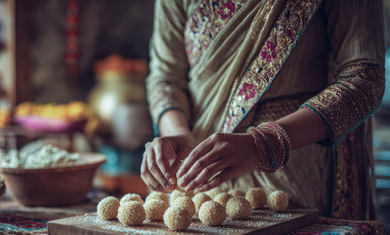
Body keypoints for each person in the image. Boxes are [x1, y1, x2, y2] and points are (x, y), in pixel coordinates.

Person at [141, 0, 385, 220]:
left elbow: (364, 78)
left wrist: (264, 143)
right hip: (200, 178)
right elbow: (166, 78)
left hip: (292, 180)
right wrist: (178, 133)